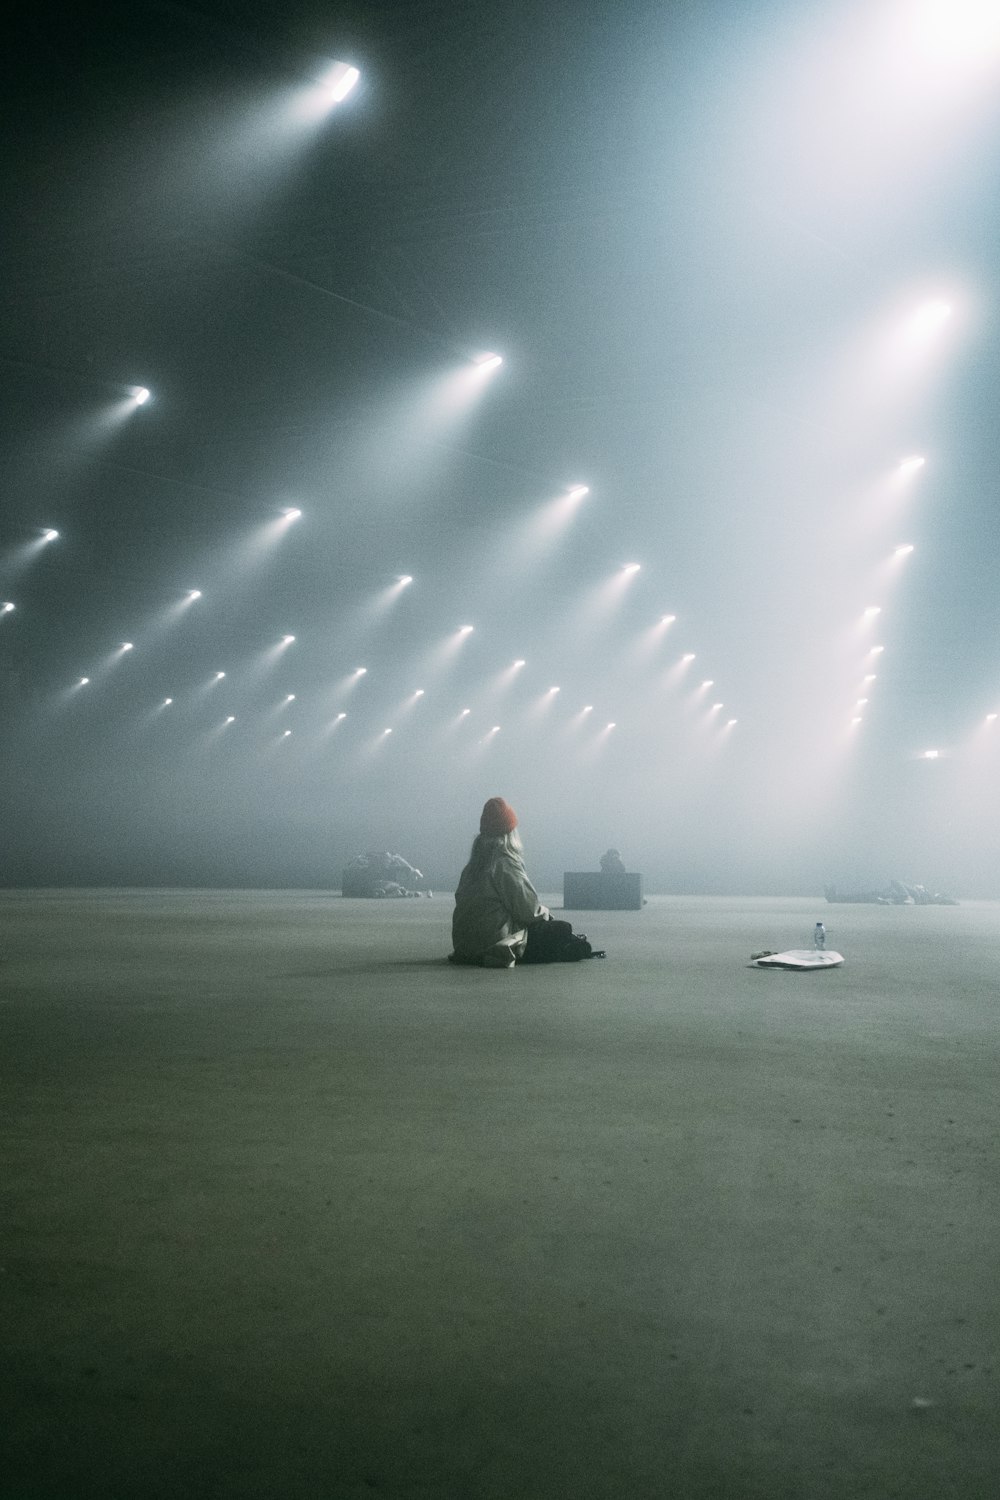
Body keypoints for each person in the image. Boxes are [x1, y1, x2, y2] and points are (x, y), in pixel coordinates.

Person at [450, 798, 600, 967]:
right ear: (509, 833)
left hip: (464, 946)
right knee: (563, 928)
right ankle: (567, 948)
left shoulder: (471, 867)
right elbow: (529, 911)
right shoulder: (504, 863)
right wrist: (547, 915)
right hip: (494, 945)